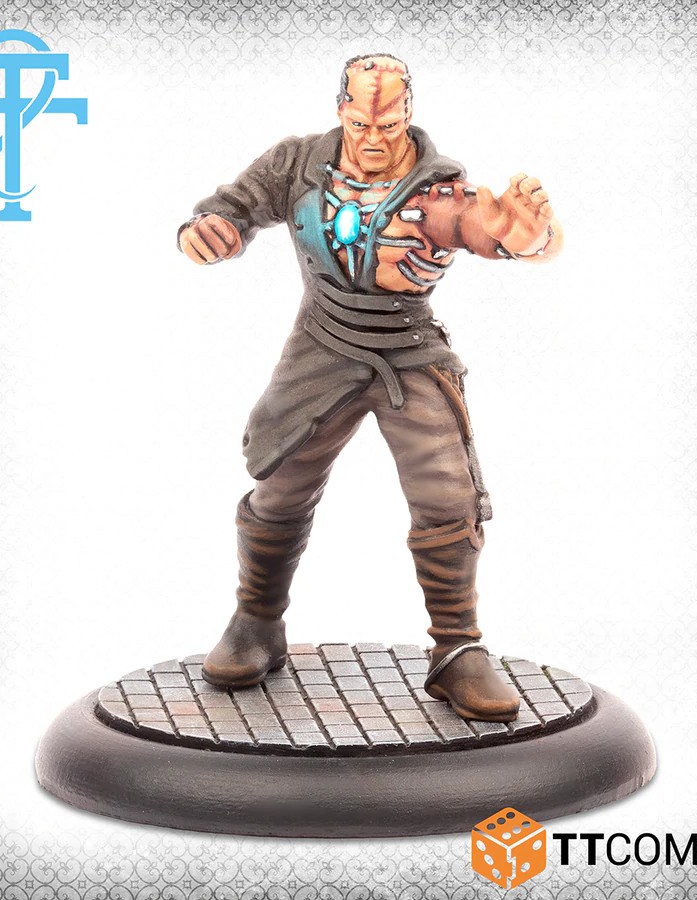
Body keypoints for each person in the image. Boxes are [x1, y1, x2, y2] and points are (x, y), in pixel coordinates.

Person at [177, 54, 563, 721]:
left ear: (408, 114)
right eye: (361, 123)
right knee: (281, 480)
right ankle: (257, 619)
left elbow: (486, 229)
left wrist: (529, 238)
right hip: (321, 346)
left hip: (407, 349)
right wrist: (210, 232)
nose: (375, 137)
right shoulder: (298, 164)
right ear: (341, 111)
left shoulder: (437, 189)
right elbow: (232, 208)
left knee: (448, 492)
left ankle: (457, 647)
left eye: (388, 123)